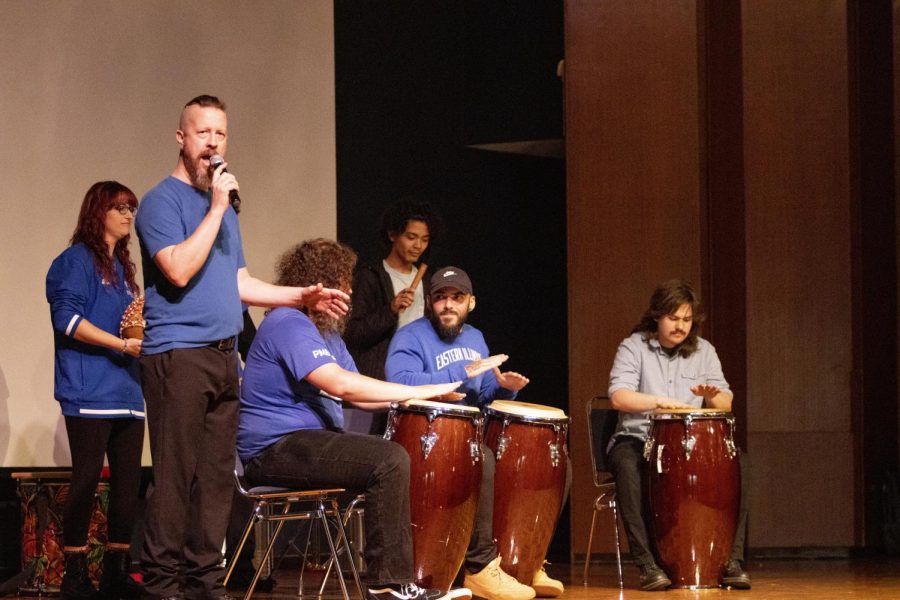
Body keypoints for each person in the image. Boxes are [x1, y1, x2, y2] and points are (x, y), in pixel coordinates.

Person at [134, 95, 349, 600]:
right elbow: (179, 269)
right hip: (177, 355)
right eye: (203, 132)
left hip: (223, 356)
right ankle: (162, 583)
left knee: (214, 479)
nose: (212, 143)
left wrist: (302, 295)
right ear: (181, 138)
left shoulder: (223, 209)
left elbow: (239, 282)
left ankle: (204, 579)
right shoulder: (160, 203)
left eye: (221, 134)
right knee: (175, 476)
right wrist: (214, 208)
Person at [237, 238, 464, 600]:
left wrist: (418, 396)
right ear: (321, 282)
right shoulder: (287, 322)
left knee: (396, 452)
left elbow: (362, 391)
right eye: (342, 283)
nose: (348, 292)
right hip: (273, 449)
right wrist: (423, 391)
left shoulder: (327, 333)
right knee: (388, 460)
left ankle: (422, 574)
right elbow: (343, 386)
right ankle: (389, 585)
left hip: (307, 441)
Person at [385, 267, 565, 600]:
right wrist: (462, 370)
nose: (448, 305)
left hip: (468, 433)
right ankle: (480, 567)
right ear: (430, 302)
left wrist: (503, 388)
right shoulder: (410, 336)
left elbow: (481, 399)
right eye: (440, 297)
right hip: (425, 439)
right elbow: (397, 381)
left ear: (471, 302)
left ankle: (522, 562)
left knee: (547, 463)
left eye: (457, 298)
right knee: (482, 458)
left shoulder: (476, 339)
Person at [607, 278, 751, 591]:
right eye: (673, 318)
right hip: (639, 438)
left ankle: (732, 561)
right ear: (657, 316)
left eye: (687, 320)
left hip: (690, 444)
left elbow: (726, 403)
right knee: (627, 466)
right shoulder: (634, 346)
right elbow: (619, 396)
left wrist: (712, 395)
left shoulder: (705, 351)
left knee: (739, 461)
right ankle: (647, 564)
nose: (680, 326)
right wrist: (657, 401)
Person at [46, 181, 146, 600]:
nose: (127, 215)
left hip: (128, 391)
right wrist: (120, 344)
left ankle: (115, 572)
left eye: (131, 208)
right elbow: (66, 320)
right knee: (86, 481)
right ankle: (74, 574)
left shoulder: (124, 270)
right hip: (88, 393)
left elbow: (131, 324)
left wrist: (141, 337)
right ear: (97, 212)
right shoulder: (74, 261)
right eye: (118, 207)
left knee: (128, 486)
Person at [344, 199, 443, 434]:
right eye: (411, 237)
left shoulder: (429, 281)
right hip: (383, 378)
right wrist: (390, 309)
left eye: (424, 239)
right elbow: (353, 333)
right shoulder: (371, 277)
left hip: (420, 374)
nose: (418, 245)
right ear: (392, 235)